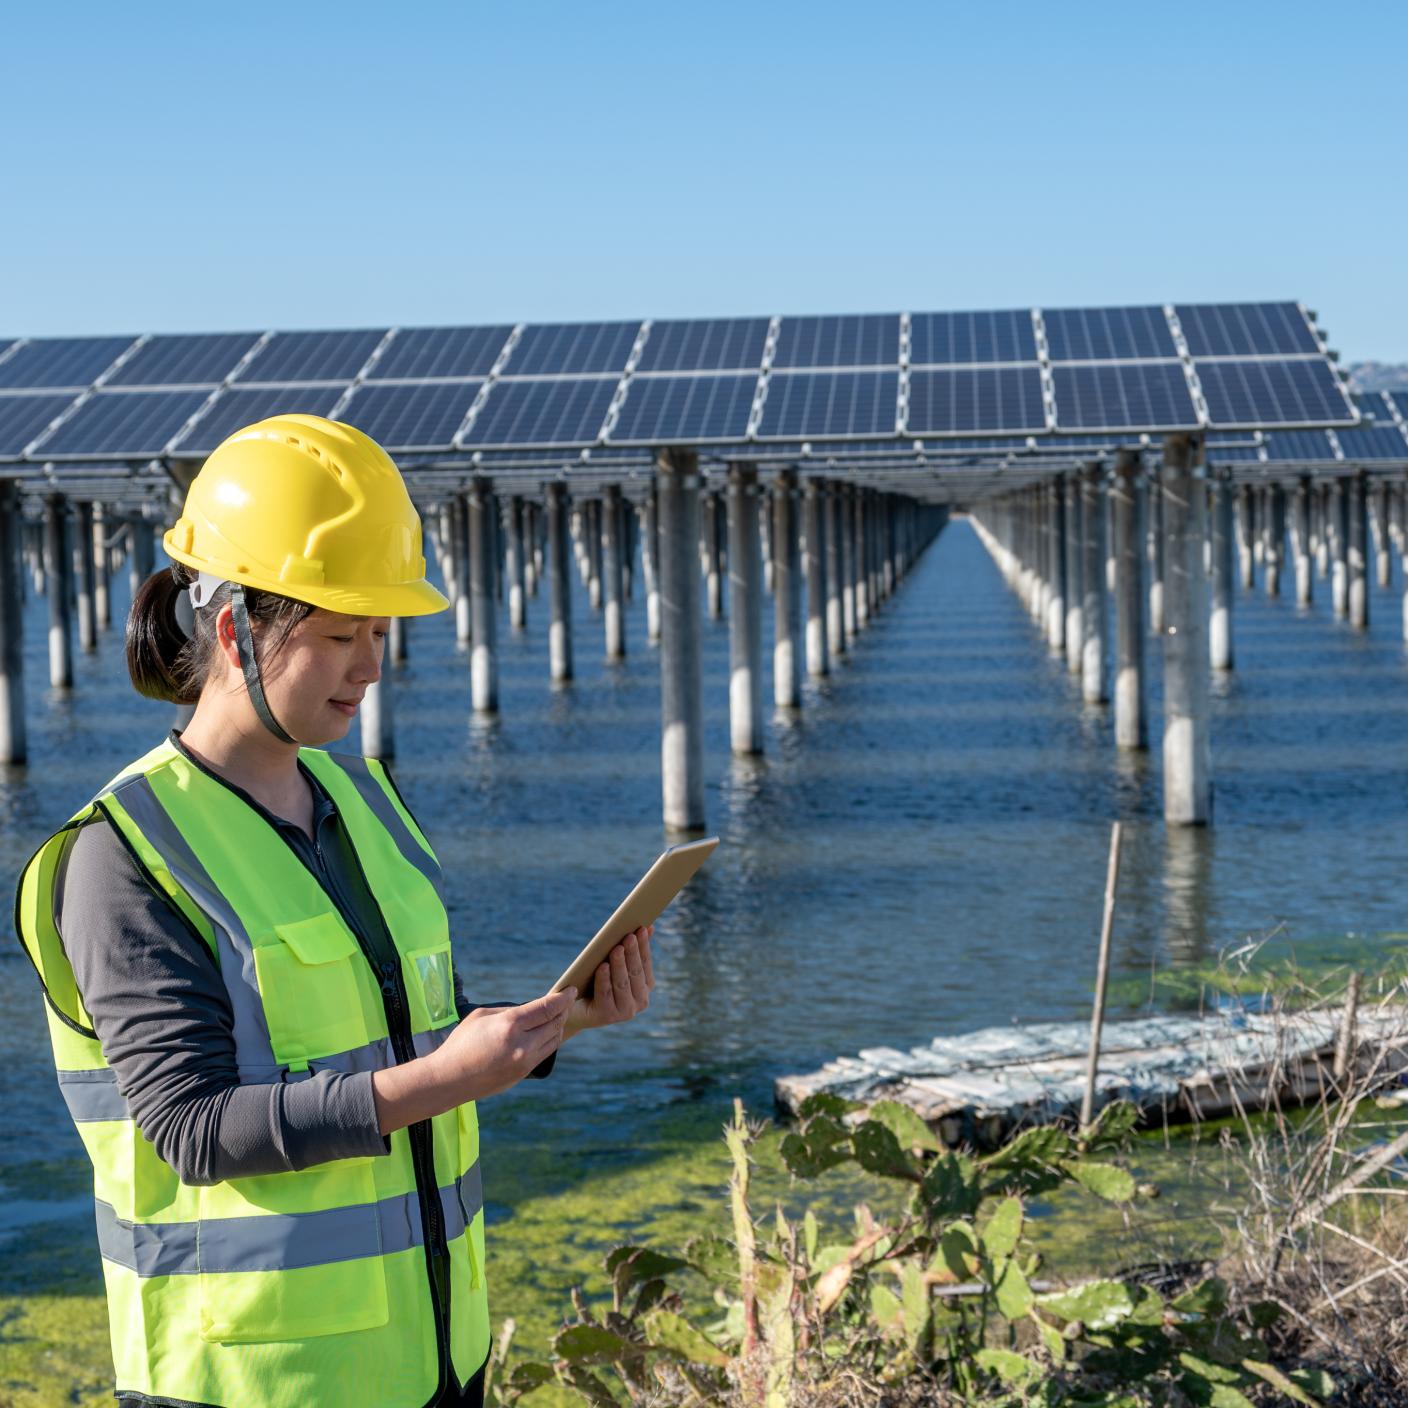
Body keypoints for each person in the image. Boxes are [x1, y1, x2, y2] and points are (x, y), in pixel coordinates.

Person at [16, 414, 655, 1408]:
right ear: (234, 630)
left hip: (433, 1362)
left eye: (380, 633)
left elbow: (396, 1032)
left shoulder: (364, 803)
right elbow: (192, 1126)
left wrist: (561, 1020)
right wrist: (442, 1080)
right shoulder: (122, 857)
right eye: (339, 635)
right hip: (252, 1380)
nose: (369, 666)